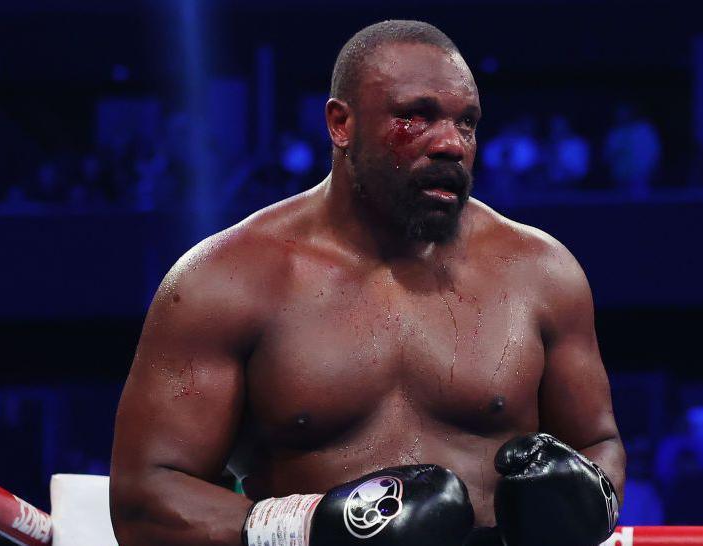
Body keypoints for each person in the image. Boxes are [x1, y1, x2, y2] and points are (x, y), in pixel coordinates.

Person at [110, 20, 625, 546]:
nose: (451, 143)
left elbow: (599, 444)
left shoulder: (540, 273)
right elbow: (143, 500)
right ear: (341, 124)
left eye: (466, 122)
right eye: (416, 116)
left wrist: (584, 498)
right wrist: (312, 526)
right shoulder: (227, 280)